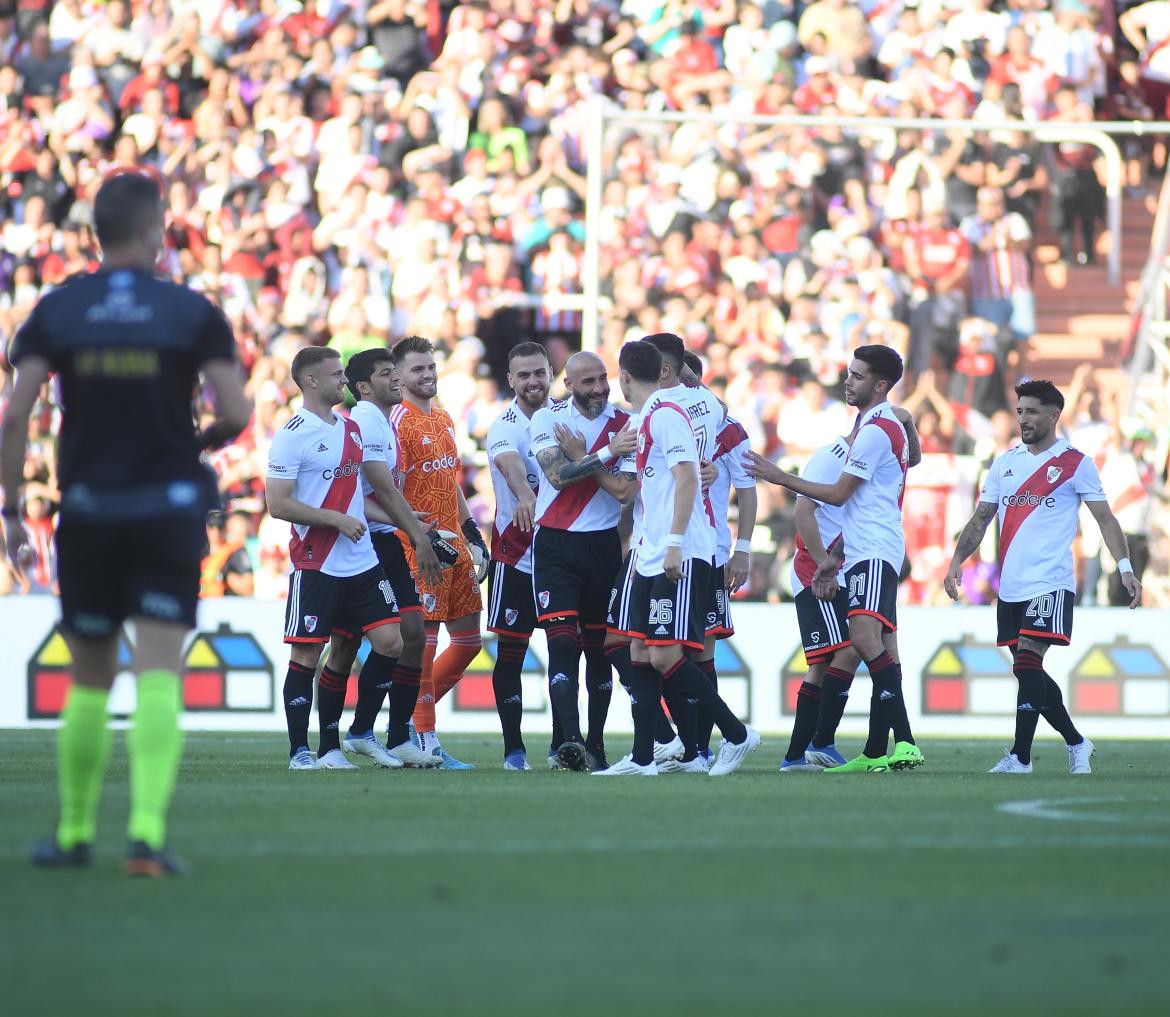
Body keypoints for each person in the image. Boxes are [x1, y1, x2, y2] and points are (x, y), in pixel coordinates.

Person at [2, 170, 251, 875]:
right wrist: (190, 446)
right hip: (167, 505)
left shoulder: (60, 307)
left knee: (88, 678)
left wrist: (13, 509)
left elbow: (16, 413)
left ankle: (75, 832)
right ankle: (144, 836)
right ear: (156, 232)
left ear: (92, 236)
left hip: (88, 508)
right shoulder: (189, 310)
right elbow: (235, 411)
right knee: (158, 672)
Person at [943, 379, 1142, 775]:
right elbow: (981, 518)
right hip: (1011, 584)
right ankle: (1077, 742)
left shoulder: (1075, 463)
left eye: (1031, 411)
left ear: (1054, 415)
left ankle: (1021, 756)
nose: (1023, 419)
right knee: (1026, 668)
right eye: (1019, 411)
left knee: (1028, 661)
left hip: (1051, 581)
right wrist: (956, 561)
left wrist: (1125, 567)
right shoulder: (1005, 462)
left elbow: (1105, 519)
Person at [745, 345, 925, 774]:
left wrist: (779, 476)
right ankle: (881, 747)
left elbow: (839, 496)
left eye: (858, 376)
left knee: (860, 645)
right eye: (849, 373)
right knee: (865, 647)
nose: (848, 381)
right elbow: (888, 479)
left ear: (881, 386)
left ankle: (893, 745)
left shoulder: (876, 430)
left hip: (873, 551)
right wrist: (831, 558)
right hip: (858, 553)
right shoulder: (876, 427)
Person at [594, 340, 761, 778]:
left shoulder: (666, 415)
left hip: (681, 549)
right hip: (652, 549)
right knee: (639, 649)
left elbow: (687, 479)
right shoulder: (649, 416)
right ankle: (644, 757)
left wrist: (673, 542)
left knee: (667, 655)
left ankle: (737, 734)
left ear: (624, 377)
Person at [267, 346, 427, 771]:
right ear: (311, 381)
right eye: (335, 374)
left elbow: (357, 497)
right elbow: (278, 504)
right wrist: (334, 520)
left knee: (391, 642)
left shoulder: (351, 429)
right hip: (317, 561)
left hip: (361, 558)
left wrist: (408, 522)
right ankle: (305, 751)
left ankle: (357, 734)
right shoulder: (292, 434)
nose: (343, 380)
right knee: (307, 655)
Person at [319, 348, 444, 770]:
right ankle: (336, 741)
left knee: (411, 636)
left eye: (396, 371)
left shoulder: (384, 420)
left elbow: (372, 496)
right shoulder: (368, 420)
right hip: (363, 546)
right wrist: (418, 536)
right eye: (386, 373)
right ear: (364, 387)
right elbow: (382, 489)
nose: (396, 379)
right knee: (347, 645)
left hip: (384, 539)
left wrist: (412, 524)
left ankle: (392, 736)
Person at [780, 406, 921, 773]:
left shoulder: (875, 452)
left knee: (871, 647)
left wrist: (908, 422)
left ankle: (867, 747)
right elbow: (802, 513)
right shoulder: (832, 457)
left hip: (853, 561)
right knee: (841, 653)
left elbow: (914, 459)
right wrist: (823, 563)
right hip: (820, 567)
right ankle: (812, 747)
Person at [530, 350, 638, 771]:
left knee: (599, 649)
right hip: (555, 544)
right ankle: (568, 743)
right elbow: (557, 476)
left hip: (602, 546)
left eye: (602, 379)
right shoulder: (548, 419)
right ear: (569, 384)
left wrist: (590, 456)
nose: (598, 388)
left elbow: (625, 493)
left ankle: (595, 744)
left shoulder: (626, 423)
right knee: (561, 643)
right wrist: (607, 453)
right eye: (587, 381)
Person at [391, 335, 488, 769]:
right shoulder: (398, 421)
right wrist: (413, 533)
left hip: (453, 544)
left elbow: (451, 484)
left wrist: (472, 533)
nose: (427, 374)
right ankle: (425, 736)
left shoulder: (447, 419)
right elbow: (386, 489)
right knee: (424, 646)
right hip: (418, 547)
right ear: (399, 377)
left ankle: (410, 718)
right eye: (417, 369)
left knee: (468, 641)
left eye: (430, 367)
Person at [682, 348, 757, 765]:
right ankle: (687, 743)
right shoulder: (657, 419)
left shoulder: (728, 431)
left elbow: (747, 491)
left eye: (694, 379)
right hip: (662, 549)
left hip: (708, 552)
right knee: (655, 649)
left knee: (699, 651)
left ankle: (698, 748)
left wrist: (743, 549)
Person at [484, 341, 552, 771]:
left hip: (563, 554)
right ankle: (514, 749)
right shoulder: (504, 424)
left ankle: (568, 742)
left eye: (539, 373)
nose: (532, 382)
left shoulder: (565, 418)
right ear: (511, 380)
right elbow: (510, 466)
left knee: (571, 650)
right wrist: (526, 494)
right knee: (511, 652)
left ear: (551, 374)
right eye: (523, 375)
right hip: (516, 552)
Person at [200, 510, 254, 597]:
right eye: (211, 526)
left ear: (226, 528)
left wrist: (225, 576)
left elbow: (248, 588)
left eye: (220, 527)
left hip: (226, 605)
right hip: (203, 604)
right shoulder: (201, 552)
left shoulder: (236, 552)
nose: (216, 531)